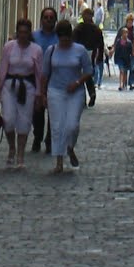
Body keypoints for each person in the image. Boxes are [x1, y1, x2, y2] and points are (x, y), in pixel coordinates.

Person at [39, 19, 92, 173]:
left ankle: (70, 147)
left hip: (75, 92)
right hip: (55, 91)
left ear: (71, 36)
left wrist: (77, 82)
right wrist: (42, 94)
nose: (64, 41)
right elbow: (44, 74)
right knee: (57, 127)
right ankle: (59, 162)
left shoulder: (80, 50)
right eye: (61, 38)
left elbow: (88, 71)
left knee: (72, 125)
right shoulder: (51, 50)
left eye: (66, 38)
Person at [0, 18, 44, 170]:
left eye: (25, 32)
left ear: (29, 33)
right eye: (20, 32)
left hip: (27, 88)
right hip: (9, 86)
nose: (22, 35)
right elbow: (2, 70)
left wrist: (39, 94)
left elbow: (38, 73)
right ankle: (11, 148)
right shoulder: (9, 47)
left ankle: (20, 154)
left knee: (24, 121)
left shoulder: (36, 50)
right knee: (8, 119)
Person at [31, 6, 59, 152]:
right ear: (41, 20)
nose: (48, 20)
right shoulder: (34, 36)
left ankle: (49, 139)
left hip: (54, 77)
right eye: (46, 17)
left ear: (55, 20)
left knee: (53, 110)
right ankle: (37, 136)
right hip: (36, 76)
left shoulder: (59, 37)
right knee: (37, 110)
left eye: (51, 18)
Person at [73, 8, 104, 102]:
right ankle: (91, 93)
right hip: (90, 53)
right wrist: (99, 57)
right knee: (87, 74)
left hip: (82, 53)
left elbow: (73, 40)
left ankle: (85, 96)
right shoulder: (96, 29)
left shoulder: (79, 28)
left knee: (81, 74)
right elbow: (101, 44)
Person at [115, 13, 134, 90]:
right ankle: (124, 83)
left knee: (131, 67)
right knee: (124, 68)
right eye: (129, 22)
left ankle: (131, 83)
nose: (130, 24)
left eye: (132, 22)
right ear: (127, 21)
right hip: (123, 51)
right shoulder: (122, 29)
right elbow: (117, 40)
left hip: (132, 50)